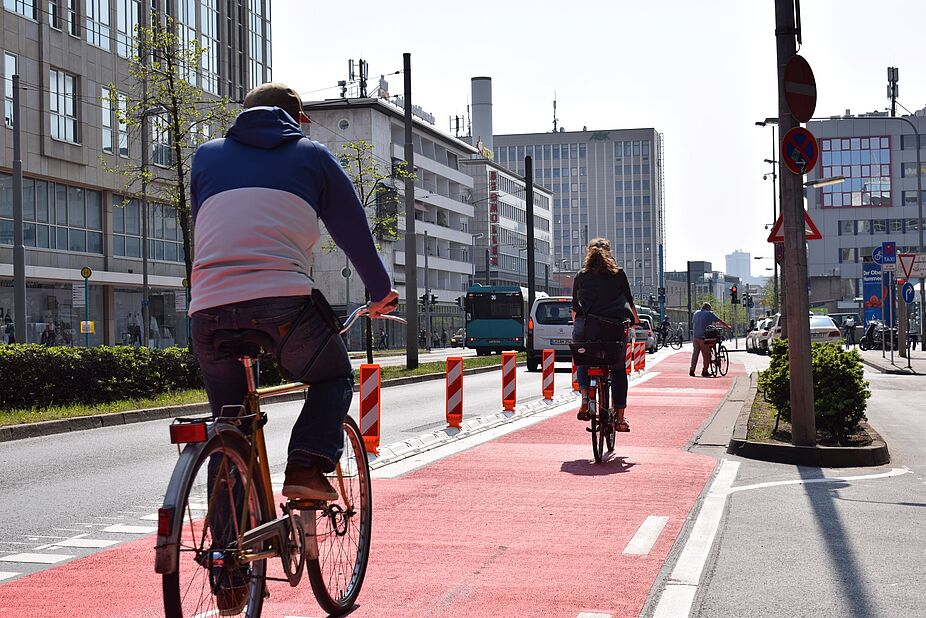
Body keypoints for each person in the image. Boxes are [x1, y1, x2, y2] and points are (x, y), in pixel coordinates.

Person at [190, 82, 398, 502]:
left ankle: (226, 556)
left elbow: (204, 226)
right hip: (280, 304)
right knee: (334, 376)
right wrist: (380, 291)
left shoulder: (206, 157)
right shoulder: (312, 156)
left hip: (207, 308)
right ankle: (305, 464)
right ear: (296, 120)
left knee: (229, 422)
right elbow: (352, 233)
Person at [572, 238, 639, 432]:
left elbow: (575, 308)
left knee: (583, 358)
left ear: (588, 254)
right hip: (614, 329)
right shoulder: (618, 275)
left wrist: (577, 324)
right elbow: (629, 300)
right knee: (618, 370)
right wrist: (635, 320)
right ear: (609, 254)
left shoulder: (581, 275)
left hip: (587, 327)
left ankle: (585, 398)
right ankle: (619, 418)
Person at [690, 302, 729, 377]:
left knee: (695, 354)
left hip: (695, 337)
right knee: (706, 355)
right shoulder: (709, 313)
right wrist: (727, 326)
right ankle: (705, 371)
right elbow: (719, 321)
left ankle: (692, 370)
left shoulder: (696, 313)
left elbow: (694, 323)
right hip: (703, 337)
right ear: (708, 308)